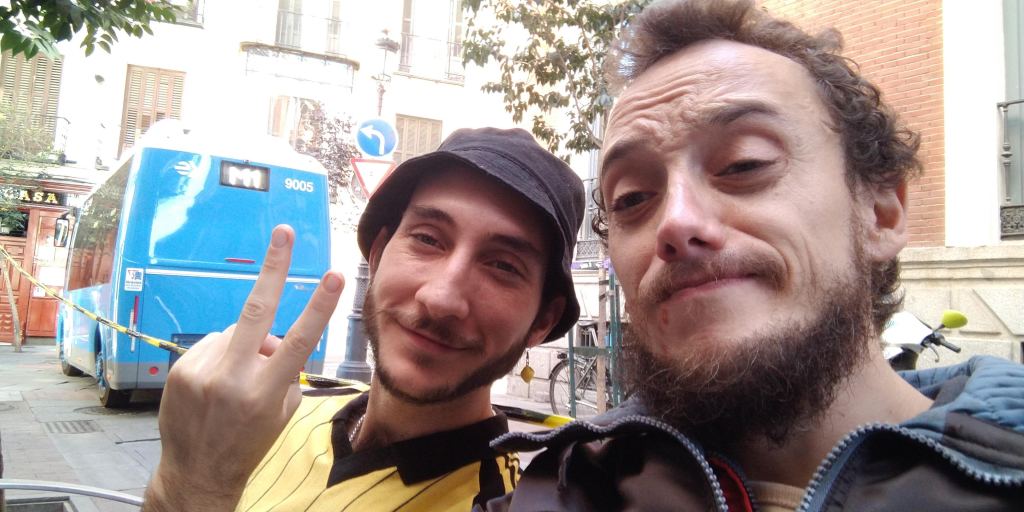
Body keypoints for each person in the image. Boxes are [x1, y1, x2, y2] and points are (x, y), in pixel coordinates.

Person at [481, 1, 1024, 510]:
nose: (676, 222)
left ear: (881, 213)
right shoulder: (559, 489)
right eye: (633, 198)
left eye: (744, 163)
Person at [141, 127, 585, 511]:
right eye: (428, 239)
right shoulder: (269, 417)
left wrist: (191, 486)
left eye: (503, 266)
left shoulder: (495, 502)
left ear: (542, 322)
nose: (441, 298)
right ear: (377, 255)